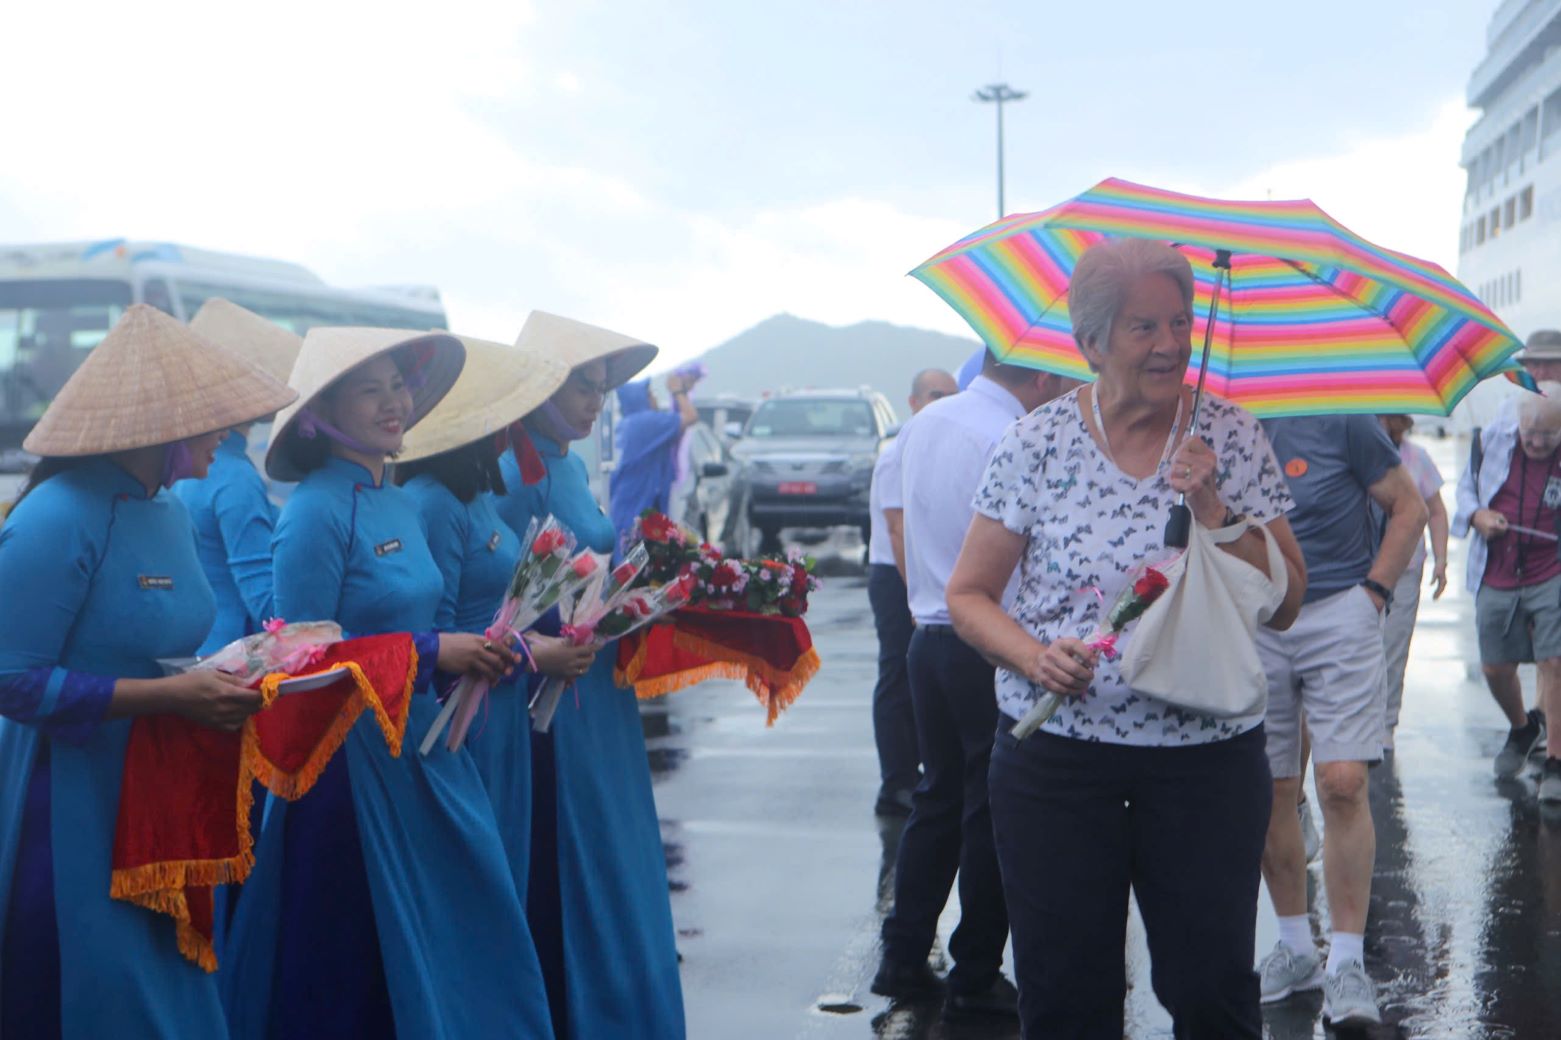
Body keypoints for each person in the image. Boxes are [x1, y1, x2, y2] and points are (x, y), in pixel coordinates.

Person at [947, 238, 1306, 1039]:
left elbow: (1285, 602)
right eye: (1143, 327)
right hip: (1057, 763)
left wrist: (1213, 505)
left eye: (1179, 322)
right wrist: (1030, 654)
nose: (1171, 344)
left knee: (1211, 992)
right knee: (1065, 997)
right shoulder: (1033, 444)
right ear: (1091, 344)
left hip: (1206, 765)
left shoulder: (1231, 437)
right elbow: (967, 597)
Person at [220, 327, 554, 1038]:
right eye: (369, 390)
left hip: (425, 745)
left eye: (398, 385)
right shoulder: (313, 510)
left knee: (461, 921)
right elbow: (299, 660)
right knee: (355, 953)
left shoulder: (395, 496)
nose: (393, 403)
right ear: (319, 413)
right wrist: (438, 649)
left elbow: (419, 624)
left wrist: (470, 652)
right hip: (346, 770)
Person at [0, 304, 294, 1038]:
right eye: (212, 417)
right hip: (69, 798)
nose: (229, 431)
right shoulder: (56, 515)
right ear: (162, 423)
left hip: (162, 789)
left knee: (168, 996)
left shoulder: (165, 510)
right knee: (95, 989)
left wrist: (220, 675)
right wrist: (174, 695)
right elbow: (11, 680)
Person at [495, 311, 685, 1039]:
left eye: (603, 387)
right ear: (537, 386)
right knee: (565, 859)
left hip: (591, 683)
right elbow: (499, 594)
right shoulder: (513, 471)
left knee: (609, 856)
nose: (595, 401)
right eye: (581, 385)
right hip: (545, 687)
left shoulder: (566, 463)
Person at [870, 350, 1073, 1025]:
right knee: (991, 810)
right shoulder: (1007, 435)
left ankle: (902, 953)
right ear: (1040, 376)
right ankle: (975, 970)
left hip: (927, 630)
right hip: (986, 639)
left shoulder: (923, 423)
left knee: (935, 799)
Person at [397, 334, 594, 897]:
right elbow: (439, 633)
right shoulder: (433, 501)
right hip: (463, 718)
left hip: (501, 705)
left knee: (511, 863)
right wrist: (537, 654)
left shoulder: (476, 493)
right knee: (479, 875)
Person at [1254, 411, 1426, 1025]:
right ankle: (1296, 946)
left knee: (1344, 781)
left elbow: (1410, 508)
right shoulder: (1215, 419)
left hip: (1339, 613)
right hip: (1256, 616)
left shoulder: (1344, 416)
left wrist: (1373, 594)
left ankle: (1347, 961)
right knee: (1272, 787)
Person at [173, 299, 300, 654]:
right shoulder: (236, 477)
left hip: (199, 646)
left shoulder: (185, 467)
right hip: (232, 658)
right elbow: (265, 605)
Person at [1454, 382, 1561, 802]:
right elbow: (1465, 492)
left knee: (1554, 661)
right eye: (1530, 433)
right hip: (1497, 569)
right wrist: (1477, 514)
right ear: (1518, 424)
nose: (1536, 442)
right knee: (1496, 668)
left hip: (1551, 568)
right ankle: (1523, 728)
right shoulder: (1489, 441)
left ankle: (1555, 759)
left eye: (1548, 436)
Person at [868, 366, 956, 816]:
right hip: (896, 576)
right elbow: (897, 528)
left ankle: (921, 771)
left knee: (922, 681)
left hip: (920, 577)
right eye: (936, 395)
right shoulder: (896, 453)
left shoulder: (935, 446)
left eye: (951, 396)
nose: (944, 404)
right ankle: (896, 781)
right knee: (896, 677)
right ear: (914, 403)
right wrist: (914, 593)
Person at [1377, 413, 1449, 753]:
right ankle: (1359, 721)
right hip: (1361, 565)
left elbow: (1435, 510)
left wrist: (1441, 558)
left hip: (1405, 567)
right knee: (1358, 647)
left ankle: (1385, 723)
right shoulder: (1358, 451)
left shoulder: (1415, 457)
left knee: (1393, 646)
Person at [608, 369, 700, 556]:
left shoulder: (631, 423)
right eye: (650, 394)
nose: (655, 398)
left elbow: (676, 432)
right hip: (637, 512)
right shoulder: (645, 423)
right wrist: (677, 392)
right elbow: (690, 417)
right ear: (640, 399)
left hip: (629, 508)